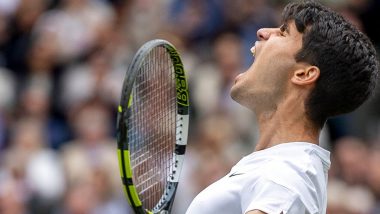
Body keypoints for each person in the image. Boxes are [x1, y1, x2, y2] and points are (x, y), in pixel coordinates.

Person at [186, 1, 379, 214]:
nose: (262, 32)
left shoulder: (283, 179)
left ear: (303, 74)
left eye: (284, 32)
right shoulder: (284, 170)